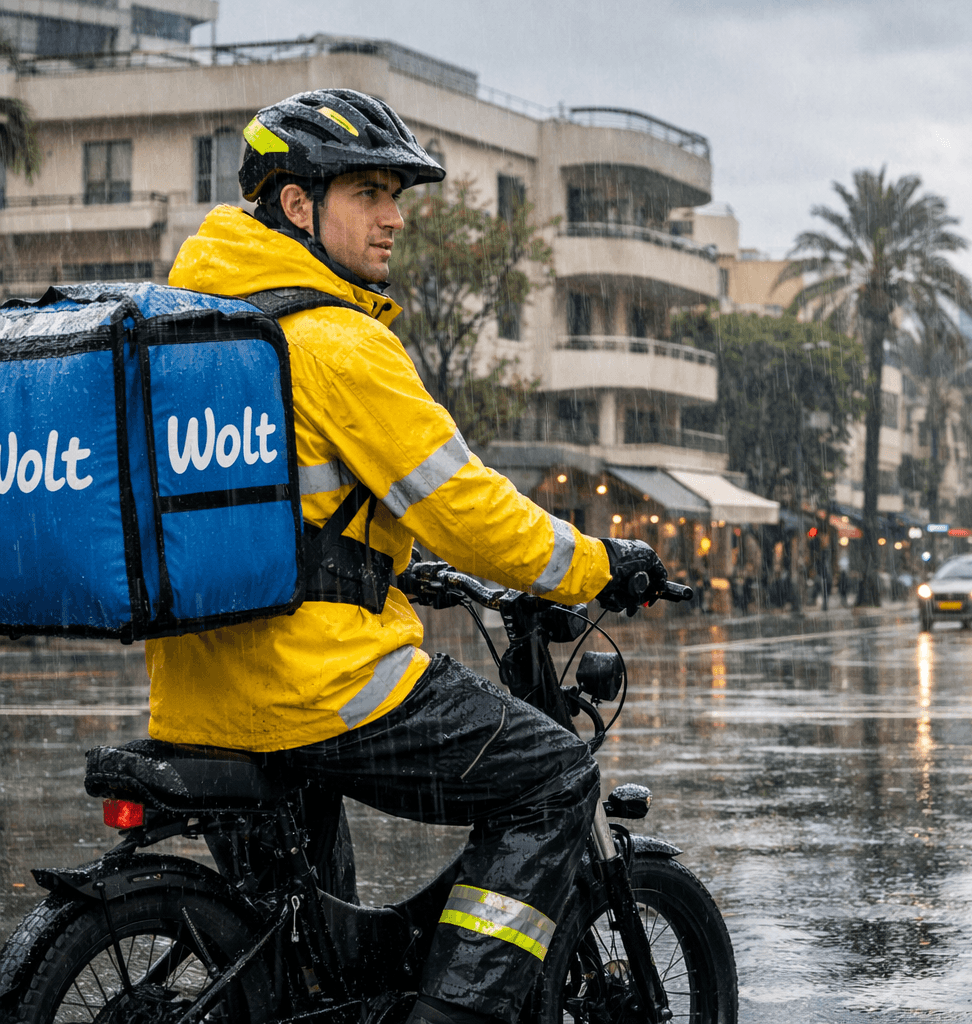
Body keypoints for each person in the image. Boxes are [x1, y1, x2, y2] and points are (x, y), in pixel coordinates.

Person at [146, 89, 667, 1024]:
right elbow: (466, 510)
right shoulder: (336, 340)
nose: (393, 217)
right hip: (320, 689)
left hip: (199, 700)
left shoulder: (193, 331)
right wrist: (599, 563)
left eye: (396, 195)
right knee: (555, 778)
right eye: (369, 193)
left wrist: (386, 563)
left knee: (311, 974)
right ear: (297, 204)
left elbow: (265, 514)